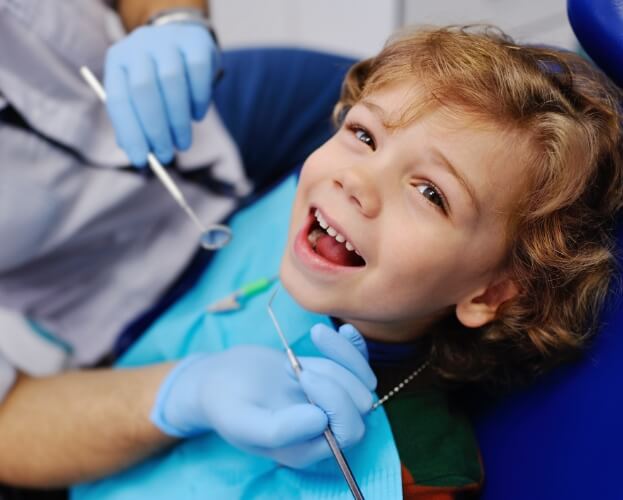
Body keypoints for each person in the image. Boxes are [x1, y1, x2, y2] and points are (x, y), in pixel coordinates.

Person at [70, 25, 623, 499]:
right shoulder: (276, 218)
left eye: (431, 193)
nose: (355, 180)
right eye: (363, 134)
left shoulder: (420, 470)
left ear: (487, 294)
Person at [0, 0, 362, 495]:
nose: (364, 188)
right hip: (123, 301)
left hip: (208, 118)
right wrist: (185, 394)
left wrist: (170, 17)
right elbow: (9, 424)